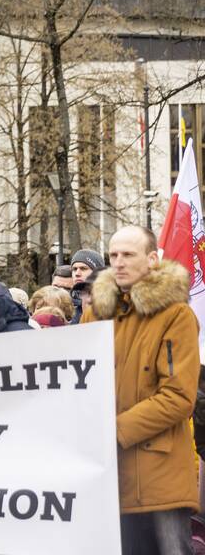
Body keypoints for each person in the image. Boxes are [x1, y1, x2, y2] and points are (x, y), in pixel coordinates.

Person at [82, 226, 200, 553]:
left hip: (159, 473)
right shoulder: (94, 315)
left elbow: (178, 397)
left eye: (128, 255)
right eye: (113, 255)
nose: (118, 263)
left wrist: (113, 430)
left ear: (151, 259)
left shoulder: (177, 315)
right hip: (106, 472)